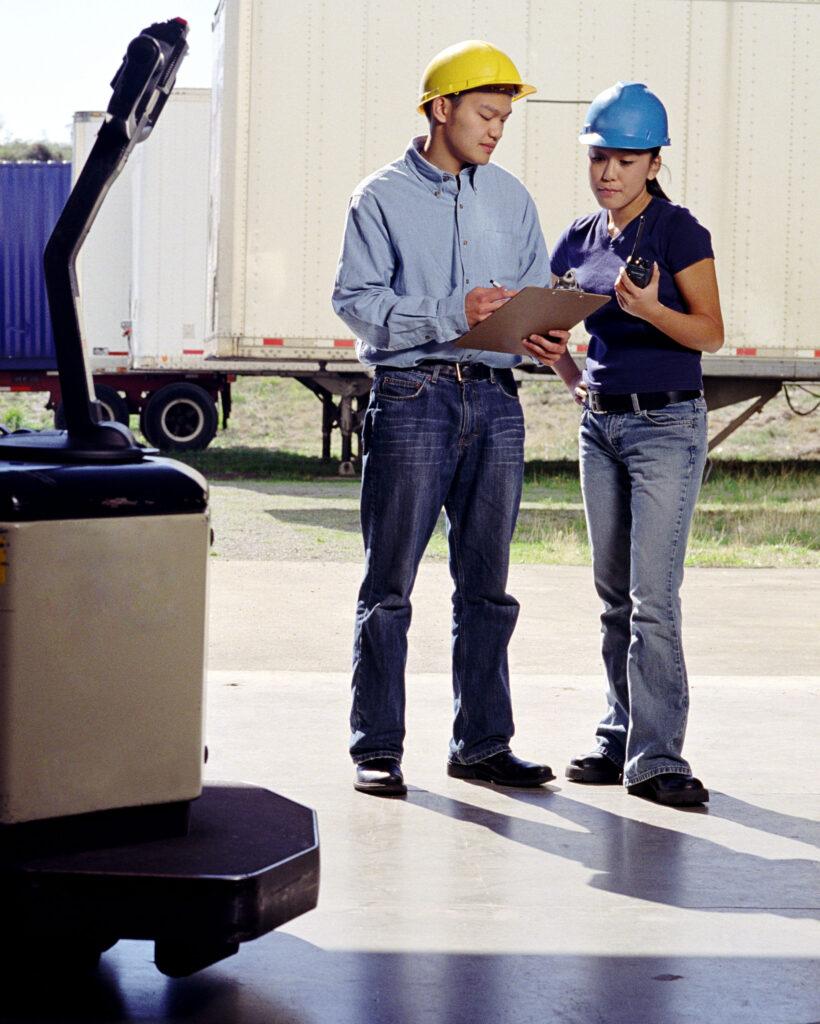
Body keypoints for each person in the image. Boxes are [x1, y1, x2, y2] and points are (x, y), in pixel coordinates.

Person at [332, 40, 569, 796]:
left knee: (488, 588)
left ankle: (482, 744)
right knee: (390, 584)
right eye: (485, 115)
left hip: (497, 402)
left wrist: (543, 334)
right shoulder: (379, 197)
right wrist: (449, 309)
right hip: (412, 399)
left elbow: (533, 294)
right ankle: (377, 746)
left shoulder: (512, 199)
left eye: (505, 118)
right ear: (441, 109)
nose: (498, 130)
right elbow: (357, 305)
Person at [525, 82, 724, 807]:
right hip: (601, 423)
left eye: (625, 159)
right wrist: (564, 363)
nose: (608, 172)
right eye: (599, 157)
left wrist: (652, 309)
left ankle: (660, 757)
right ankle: (620, 737)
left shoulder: (679, 233)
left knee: (652, 601)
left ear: (654, 162)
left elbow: (709, 331)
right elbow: (554, 326)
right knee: (613, 599)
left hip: (667, 425)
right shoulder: (579, 237)